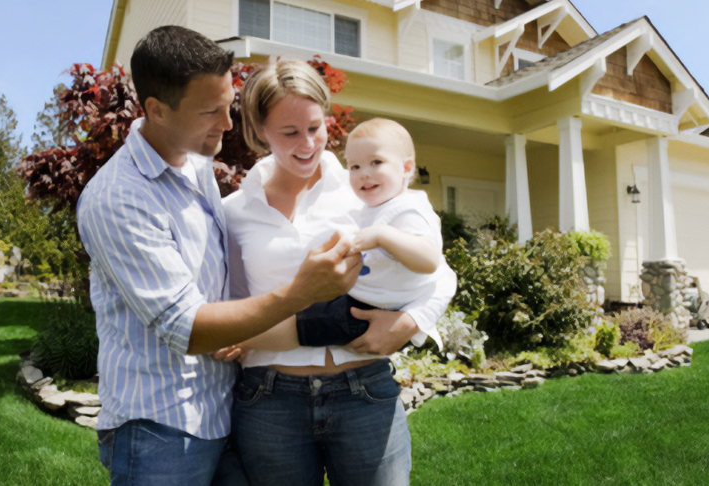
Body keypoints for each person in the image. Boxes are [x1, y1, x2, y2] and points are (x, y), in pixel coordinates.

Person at [76, 26, 361, 486]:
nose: (229, 124)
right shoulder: (118, 198)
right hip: (160, 429)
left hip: (223, 413)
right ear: (155, 110)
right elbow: (184, 328)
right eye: (211, 111)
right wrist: (301, 292)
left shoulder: (197, 165)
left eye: (228, 105)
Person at [223, 59, 456, 486]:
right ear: (259, 132)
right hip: (270, 401)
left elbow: (440, 272)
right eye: (289, 133)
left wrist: (409, 322)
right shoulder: (233, 214)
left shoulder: (363, 188)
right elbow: (232, 303)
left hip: (362, 390)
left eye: (315, 127)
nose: (308, 144)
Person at [240, 117, 446, 351]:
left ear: (406, 168)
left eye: (376, 162)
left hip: (376, 310)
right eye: (355, 166)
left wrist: (381, 236)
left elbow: (430, 262)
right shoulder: (372, 207)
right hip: (367, 301)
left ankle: (241, 341)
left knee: (303, 325)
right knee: (308, 317)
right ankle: (243, 338)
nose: (363, 174)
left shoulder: (407, 209)